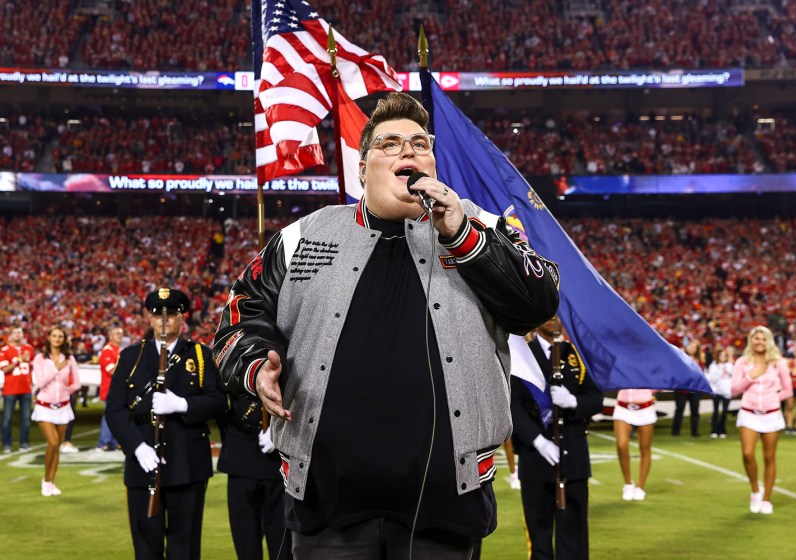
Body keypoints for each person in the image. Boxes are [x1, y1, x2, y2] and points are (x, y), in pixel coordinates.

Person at [213, 92, 560, 559]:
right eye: (390, 144)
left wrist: (461, 234)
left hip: (446, 502)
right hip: (326, 502)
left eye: (420, 143)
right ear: (361, 169)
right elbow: (239, 315)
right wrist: (256, 367)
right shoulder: (304, 236)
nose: (408, 152)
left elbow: (540, 301)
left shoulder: (482, 224)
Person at [105, 288, 226, 560]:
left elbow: (218, 402)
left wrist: (183, 405)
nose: (164, 319)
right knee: (146, 549)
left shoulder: (199, 355)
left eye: (171, 313)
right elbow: (114, 408)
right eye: (157, 313)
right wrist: (137, 447)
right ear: (149, 318)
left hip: (187, 464)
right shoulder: (131, 357)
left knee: (185, 547)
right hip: (143, 465)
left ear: (182, 318)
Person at [509, 317, 603, 560]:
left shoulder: (577, 356)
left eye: (557, 312)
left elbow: (595, 398)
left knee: (574, 536)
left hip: (572, 458)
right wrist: (537, 440)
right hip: (535, 459)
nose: (553, 318)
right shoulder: (521, 356)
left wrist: (574, 402)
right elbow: (512, 404)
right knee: (539, 538)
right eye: (547, 313)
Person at [218, 392, 290, 560]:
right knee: (245, 540)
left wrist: (280, 430)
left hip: (278, 462)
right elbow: (220, 398)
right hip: (240, 455)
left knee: (282, 546)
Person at [731, 325, 793, 515]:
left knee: (769, 457)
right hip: (748, 412)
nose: (759, 342)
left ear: (769, 341)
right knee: (748, 454)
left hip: (771, 413)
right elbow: (734, 390)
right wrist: (751, 376)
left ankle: (767, 499)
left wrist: (774, 398)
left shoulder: (778, 362)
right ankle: (756, 491)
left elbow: (788, 390)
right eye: (756, 338)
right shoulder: (742, 362)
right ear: (751, 341)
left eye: (763, 338)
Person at [30, 325, 81, 496]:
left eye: (60, 336)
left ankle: (51, 482)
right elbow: (40, 382)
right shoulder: (39, 358)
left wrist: (67, 391)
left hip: (63, 407)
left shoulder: (70, 358)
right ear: (49, 338)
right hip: (44, 406)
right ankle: (46, 480)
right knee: (52, 442)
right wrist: (57, 368)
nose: (57, 339)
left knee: (57, 446)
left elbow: (77, 383)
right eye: (54, 335)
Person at [613, 388, 657, 501]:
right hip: (623, 407)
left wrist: (650, 391)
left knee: (645, 448)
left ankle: (640, 487)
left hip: (645, 407)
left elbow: (659, 379)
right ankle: (628, 484)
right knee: (621, 445)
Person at [1, 325, 35, 453]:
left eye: (19, 332)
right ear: (10, 335)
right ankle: (6, 444)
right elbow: (5, 369)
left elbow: (33, 365)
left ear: (23, 334)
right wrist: (19, 360)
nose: (17, 334)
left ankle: (24, 443)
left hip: (26, 388)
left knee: (26, 418)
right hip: (10, 389)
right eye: (15, 332)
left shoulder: (29, 348)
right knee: (7, 418)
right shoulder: (5, 350)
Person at [96, 325, 123, 451]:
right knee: (109, 416)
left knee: (118, 416)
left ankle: (115, 441)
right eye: (117, 334)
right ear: (111, 336)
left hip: (118, 389)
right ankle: (104, 442)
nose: (120, 336)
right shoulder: (107, 350)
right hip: (109, 389)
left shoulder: (119, 350)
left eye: (121, 334)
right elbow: (113, 371)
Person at [672, 339, 703, 437]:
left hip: (695, 390)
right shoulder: (681, 357)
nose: (691, 348)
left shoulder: (700, 361)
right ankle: (675, 431)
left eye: (694, 347)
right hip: (682, 389)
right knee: (679, 410)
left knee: (695, 411)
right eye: (690, 346)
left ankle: (695, 431)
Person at [707, 347, 733, 438]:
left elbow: (733, 377)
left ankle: (722, 430)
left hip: (727, 392)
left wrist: (727, 371)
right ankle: (714, 430)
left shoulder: (730, 365)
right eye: (721, 355)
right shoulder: (713, 366)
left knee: (724, 412)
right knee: (715, 412)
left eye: (724, 356)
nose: (723, 357)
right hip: (716, 391)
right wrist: (720, 373)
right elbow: (711, 378)